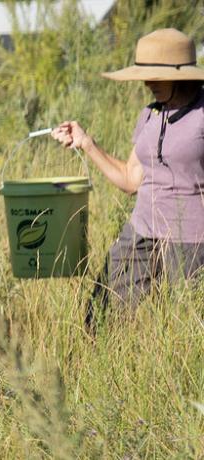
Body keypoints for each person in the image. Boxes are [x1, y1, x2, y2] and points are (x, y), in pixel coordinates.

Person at [51, 28, 204, 330]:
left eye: (155, 77)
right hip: (142, 231)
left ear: (182, 75)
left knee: (185, 326)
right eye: (144, 76)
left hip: (192, 240)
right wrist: (87, 143)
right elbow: (131, 179)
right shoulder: (150, 114)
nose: (147, 84)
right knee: (101, 313)